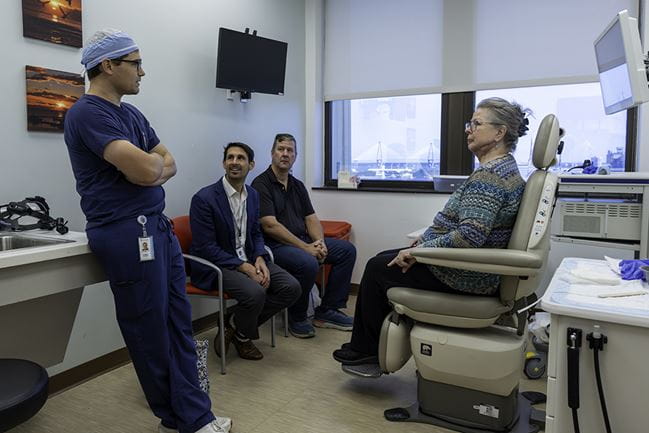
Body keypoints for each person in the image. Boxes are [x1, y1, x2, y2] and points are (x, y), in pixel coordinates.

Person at [64, 29, 230, 433]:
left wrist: (151, 170)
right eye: (135, 63)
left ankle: (191, 417)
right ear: (108, 65)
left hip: (157, 228)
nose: (143, 71)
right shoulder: (87, 113)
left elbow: (166, 163)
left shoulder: (132, 115)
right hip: (125, 232)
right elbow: (147, 167)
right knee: (149, 329)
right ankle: (177, 418)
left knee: (178, 323)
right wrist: (150, 169)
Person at [332, 97, 529, 366]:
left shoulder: (489, 176)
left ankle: (365, 349)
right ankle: (370, 343)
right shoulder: (508, 170)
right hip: (475, 269)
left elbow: (469, 236)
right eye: (469, 123)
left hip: (466, 276)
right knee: (386, 257)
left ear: (499, 133)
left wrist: (420, 250)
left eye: (476, 123)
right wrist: (423, 244)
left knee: (378, 267)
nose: (468, 129)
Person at [189, 142, 301, 360]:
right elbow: (205, 247)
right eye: (230, 158)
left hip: (249, 258)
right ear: (223, 163)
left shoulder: (252, 195)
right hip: (218, 265)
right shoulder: (204, 199)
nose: (234, 162)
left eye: (240, 158)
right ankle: (244, 338)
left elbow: (256, 233)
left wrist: (258, 257)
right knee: (256, 292)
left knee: (291, 287)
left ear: (251, 165)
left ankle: (235, 325)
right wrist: (244, 267)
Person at [251, 134, 357, 338]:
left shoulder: (297, 185)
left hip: (302, 242)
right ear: (272, 153)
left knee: (346, 251)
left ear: (295, 156)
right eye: (281, 149)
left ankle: (328, 310)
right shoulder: (260, 184)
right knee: (308, 262)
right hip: (275, 246)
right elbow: (270, 225)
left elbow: (311, 218)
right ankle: (297, 317)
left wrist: (319, 243)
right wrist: (306, 248)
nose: (285, 154)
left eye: (290, 150)